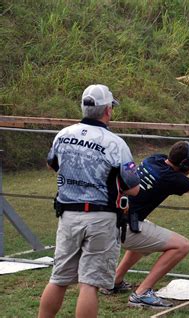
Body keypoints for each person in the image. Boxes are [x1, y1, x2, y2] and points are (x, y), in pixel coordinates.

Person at [38, 84, 140, 318]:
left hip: (68, 215)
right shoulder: (115, 143)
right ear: (107, 111)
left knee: (59, 278)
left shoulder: (63, 135)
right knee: (89, 284)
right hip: (101, 218)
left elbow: (52, 164)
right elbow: (133, 188)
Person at [100, 141, 189, 309]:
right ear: (185, 164)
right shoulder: (171, 179)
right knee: (182, 245)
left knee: (145, 233)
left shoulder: (155, 159)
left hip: (112, 219)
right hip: (120, 227)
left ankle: (114, 281)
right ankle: (142, 294)